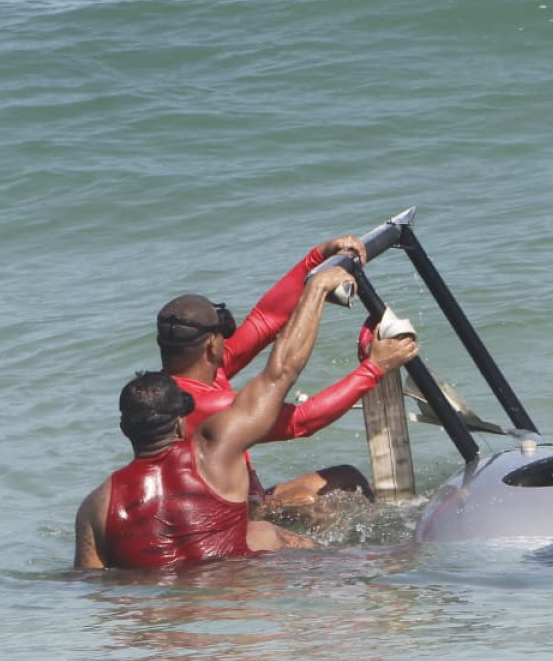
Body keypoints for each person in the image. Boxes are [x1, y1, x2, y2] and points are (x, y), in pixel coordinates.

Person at [76, 266, 408, 569]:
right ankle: (388, 559)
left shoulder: (94, 508)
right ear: (180, 421)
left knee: (275, 526)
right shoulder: (214, 448)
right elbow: (283, 376)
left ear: (124, 428)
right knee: (281, 529)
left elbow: (91, 587)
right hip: (240, 592)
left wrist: (315, 261)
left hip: (168, 619)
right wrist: (370, 363)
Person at [155, 234, 409, 507]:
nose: (228, 339)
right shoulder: (198, 405)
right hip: (231, 522)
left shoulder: (201, 370)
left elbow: (266, 319)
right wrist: (374, 368)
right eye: (223, 333)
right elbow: (301, 420)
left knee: (350, 480)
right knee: (313, 504)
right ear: (210, 346)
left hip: (250, 498)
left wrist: (318, 256)